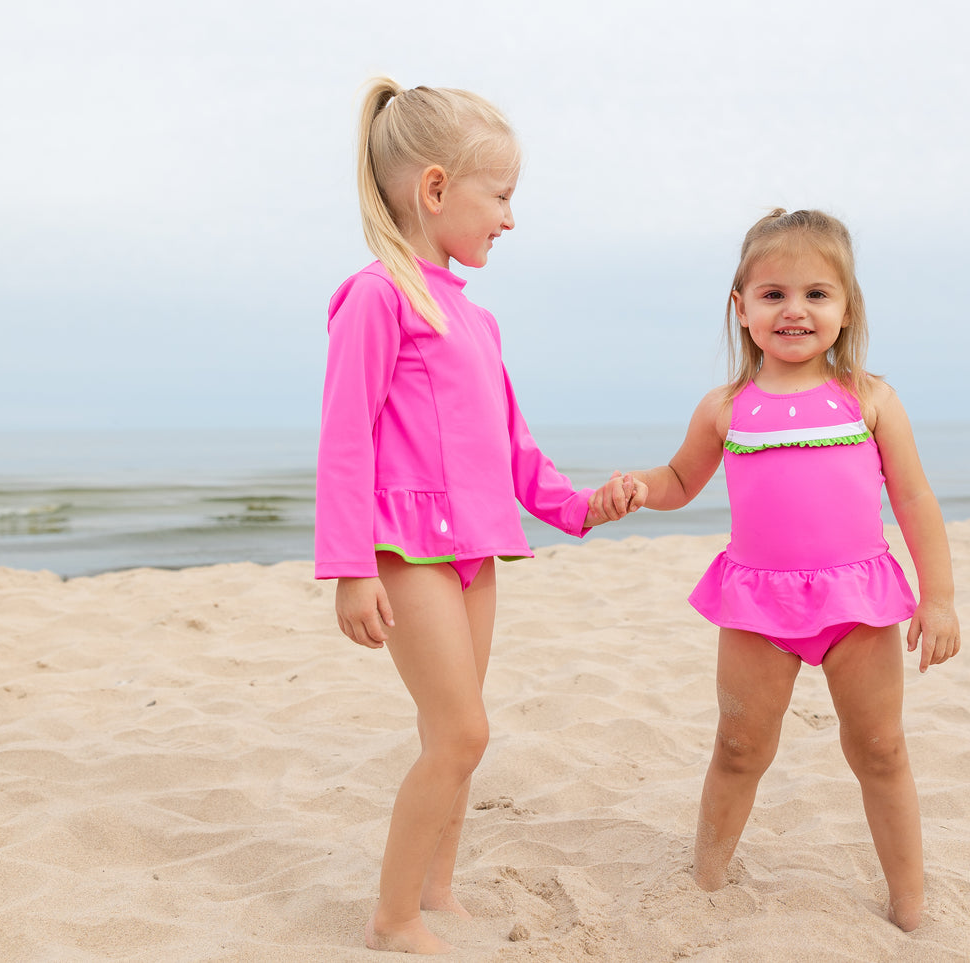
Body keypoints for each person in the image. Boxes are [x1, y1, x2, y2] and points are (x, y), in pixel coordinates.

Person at [316, 77, 644, 954]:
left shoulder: (474, 317)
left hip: (480, 547)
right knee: (462, 732)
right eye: (499, 196)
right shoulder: (377, 296)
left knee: (451, 733)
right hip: (406, 549)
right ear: (434, 188)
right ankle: (391, 918)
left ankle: (437, 889)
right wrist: (348, 568)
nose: (509, 217)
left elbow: (511, 444)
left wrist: (578, 508)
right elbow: (344, 439)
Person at [626, 208, 960, 931]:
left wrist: (939, 599)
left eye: (816, 293)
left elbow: (911, 496)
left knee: (879, 747)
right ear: (740, 307)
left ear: (845, 309)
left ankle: (909, 902)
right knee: (739, 743)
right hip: (755, 603)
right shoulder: (725, 407)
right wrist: (635, 489)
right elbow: (680, 481)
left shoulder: (869, 398)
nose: (794, 309)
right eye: (772, 293)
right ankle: (706, 876)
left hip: (858, 599)